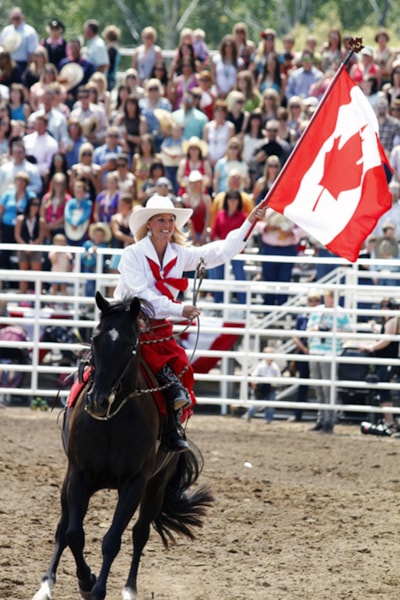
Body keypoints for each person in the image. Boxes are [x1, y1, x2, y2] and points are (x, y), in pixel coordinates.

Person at [113, 195, 266, 451]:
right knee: (106, 359)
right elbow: (141, 295)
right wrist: (179, 309)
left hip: (157, 326)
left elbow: (220, 252)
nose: (167, 225)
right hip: (127, 321)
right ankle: (89, 401)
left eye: (170, 220)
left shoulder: (179, 254)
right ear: (149, 224)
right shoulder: (132, 254)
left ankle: (170, 428)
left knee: (180, 371)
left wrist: (249, 222)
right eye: (161, 220)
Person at [307, 289, 352, 434]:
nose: (328, 300)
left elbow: (349, 331)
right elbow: (308, 329)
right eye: (327, 298)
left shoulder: (340, 312)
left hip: (330, 351)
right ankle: (321, 418)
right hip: (315, 350)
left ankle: (329, 420)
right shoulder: (317, 311)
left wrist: (333, 330)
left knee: (328, 388)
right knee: (318, 387)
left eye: (331, 298)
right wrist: (316, 329)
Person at [360, 298, 399, 428]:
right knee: (382, 389)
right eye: (382, 306)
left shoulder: (393, 320)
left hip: (388, 360)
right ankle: (389, 421)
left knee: (383, 388)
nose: (383, 309)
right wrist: (374, 327)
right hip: (386, 359)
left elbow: (387, 340)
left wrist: (371, 347)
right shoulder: (390, 321)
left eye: (386, 306)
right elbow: (385, 333)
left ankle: (390, 422)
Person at [289, 290, 322, 422]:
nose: (313, 303)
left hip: (319, 350)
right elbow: (295, 335)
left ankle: (322, 415)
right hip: (305, 351)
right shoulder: (302, 317)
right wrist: (304, 349)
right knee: (303, 381)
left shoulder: (324, 316)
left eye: (316, 301)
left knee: (322, 383)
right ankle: (297, 413)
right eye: (311, 301)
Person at [14, 195, 46, 294]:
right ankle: (22, 296)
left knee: (37, 274)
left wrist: (33, 246)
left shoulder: (40, 220)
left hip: (35, 248)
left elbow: (41, 236)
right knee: (23, 274)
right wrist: (25, 246)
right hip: (23, 248)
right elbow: (17, 235)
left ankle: (39, 297)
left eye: (38, 205)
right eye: (34, 204)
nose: (36, 207)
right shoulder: (20, 219)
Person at [244, 346, 281, 422]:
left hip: (271, 387)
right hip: (262, 387)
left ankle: (268, 419)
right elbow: (254, 375)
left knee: (270, 404)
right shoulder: (261, 366)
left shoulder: (275, 367)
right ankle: (250, 414)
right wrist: (254, 385)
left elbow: (278, 377)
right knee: (257, 404)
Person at [0, 7, 39, 76]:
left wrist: (27, 71)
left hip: (22, 64)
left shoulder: (30, 32)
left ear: (23, 17)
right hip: (6, 64)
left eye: (17, 18)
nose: (15, 20)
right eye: (13, 18)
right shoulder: (6, 31)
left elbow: (31, 54)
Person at [48, 232, 72, 301]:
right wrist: (57, 252)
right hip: (55, 272)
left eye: (62, 241)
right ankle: (52, 303)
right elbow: (53, 261)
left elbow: (69, 261)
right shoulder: (52, 250)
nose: (60, 243)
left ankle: (65, 303)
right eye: (58, 241)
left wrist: (69, 271)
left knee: (63, 288)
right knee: (54, 288)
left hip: (64, 272)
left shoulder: (67, 250)